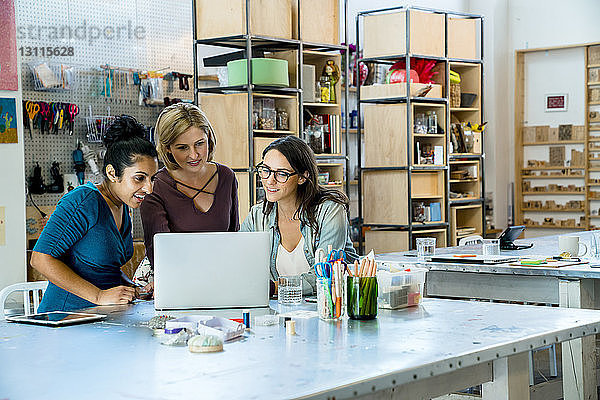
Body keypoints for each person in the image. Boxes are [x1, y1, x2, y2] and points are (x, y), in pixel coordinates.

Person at [31, 116, 159, 312]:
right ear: (112, 173)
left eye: (152, 179)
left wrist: (135, 290)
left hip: (99, 318)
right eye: (139, 178)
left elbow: (104, 269)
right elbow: (40, 259)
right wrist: (99, 296)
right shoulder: (83, 201)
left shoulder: (123, 206)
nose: (149, 189)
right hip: (65, 319)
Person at [241, 135, 358, 295]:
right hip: (281, 310)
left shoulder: (330, 211)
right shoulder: (257, 216)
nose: (269, 181)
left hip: (330, 309)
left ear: (302, 177)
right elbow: (238, 264)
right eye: (266, 170)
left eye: (281, 174)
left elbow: (325, 275)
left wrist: (275, 288)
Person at [137, 103, 239, 286]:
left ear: (209, 138)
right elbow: (161, 254)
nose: (194, 155)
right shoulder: (155, 186)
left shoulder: (226, 177)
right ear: (167, 148)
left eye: (200, 144)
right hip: (174, 281)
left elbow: (233, 240)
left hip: (218, 280)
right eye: (183, 147)